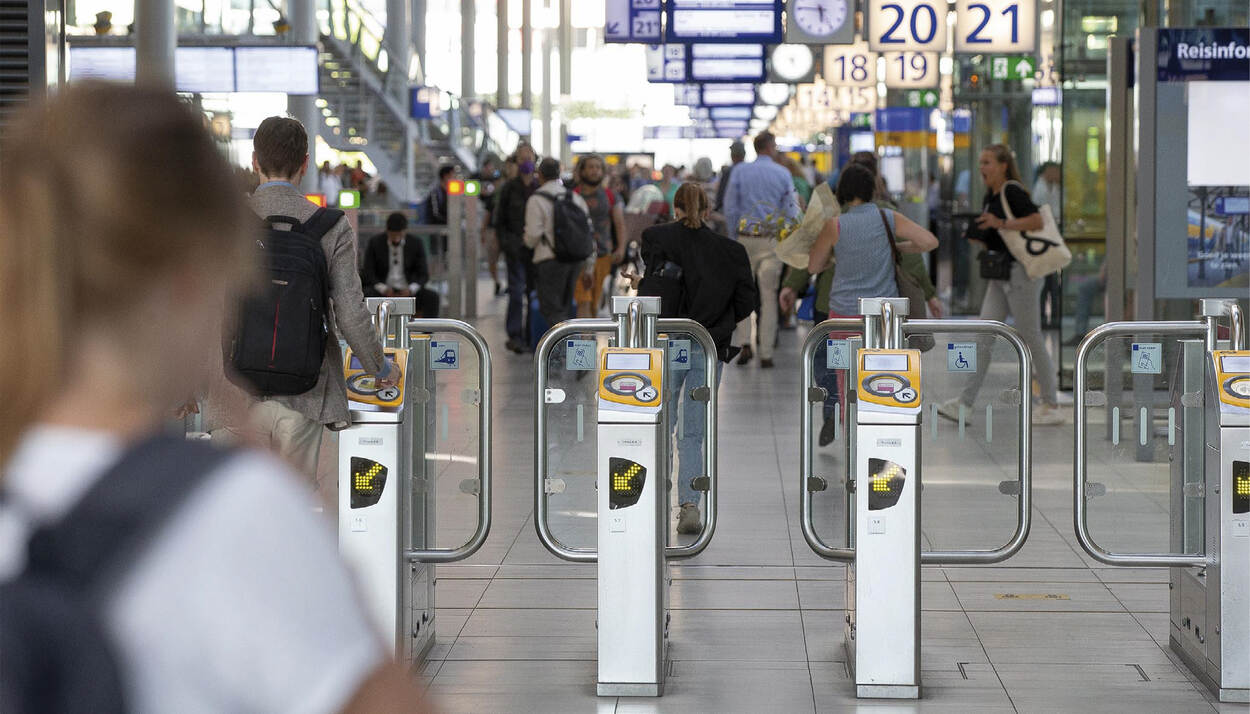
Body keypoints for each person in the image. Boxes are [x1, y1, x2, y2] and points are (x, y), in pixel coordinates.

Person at [0, 83, 420, 713]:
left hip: (239, 397)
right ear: (189, 280)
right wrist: (327, 585)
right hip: (306, 399)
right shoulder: (232, 510)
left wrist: (216, 385)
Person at [209, 116, 397, 493]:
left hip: (233, 391)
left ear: (254, 161)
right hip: (305, 395)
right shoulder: (330, 226)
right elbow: (350, 312)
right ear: (305, 164)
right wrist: (380, 367)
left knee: (233, 513)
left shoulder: (226, 223)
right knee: (289, 513)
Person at [637, 183, 756, 534]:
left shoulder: (657, 238)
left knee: (661, 422)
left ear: (675, 208)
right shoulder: (731, 251)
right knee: (692, 432)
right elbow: (746, 303)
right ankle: (690, 504)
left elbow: (654, 280)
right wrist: (720, 322)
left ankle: (655, 496)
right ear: (707, 211)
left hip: (668, 342)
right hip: (708, 345)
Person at [805, 163, 939, 436]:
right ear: (871, 190)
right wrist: (894, 248)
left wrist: (836, 255)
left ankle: (851, 444)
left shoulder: (835, 225)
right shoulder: (888, 217)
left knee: (845, 381)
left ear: (842, 191)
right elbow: (928, 242)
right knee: (882, 377)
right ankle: (881, 435)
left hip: (841, 319)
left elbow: (813, 267)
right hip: (883, 318)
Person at [937, 144, 1066, 426]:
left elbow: (1035, 219)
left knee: (1031, 335)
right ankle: (965, 403)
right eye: (981, 162)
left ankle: (1051, 403)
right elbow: (1001, 235)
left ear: (1003, 165)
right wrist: (981, 235)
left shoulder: (1011, 190)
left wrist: (1001, 222)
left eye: (988, 162)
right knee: (983, 336)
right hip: (1000, 277)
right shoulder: (990, 196)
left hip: (1021, 275)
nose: (982, 168)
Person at [723, 131, 802, 368]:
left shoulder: (739, 171)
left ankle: (745, 342)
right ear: (770, 147)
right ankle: (766, 352)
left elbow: (730, 207)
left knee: (743, 293)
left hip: (745, 240)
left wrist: (733, 234)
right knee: (768, 296)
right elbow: (791, 209)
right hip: (771, 242)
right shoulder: (782, 173)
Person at [524, 158, 593, 331]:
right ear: (559, 173)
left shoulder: (536, 199)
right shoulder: (575, 198)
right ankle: (569, 350)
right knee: (566, 308)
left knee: (552, 309)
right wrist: (589, 266)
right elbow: (588, 232)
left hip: (549, 260)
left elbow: (532, 235)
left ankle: (563, 353)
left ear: (539, 175)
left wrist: (526, 243)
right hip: (575, 260)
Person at [494, 144, 540, 353]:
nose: (526, 162)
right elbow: (500, 220)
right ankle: (515, 334)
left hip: (537, 250)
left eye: (529, 158)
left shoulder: (540, 187)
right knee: (516, 291)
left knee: (533, 292)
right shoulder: (509, 189)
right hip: (515, 249)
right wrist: (507, 244)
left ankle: (533, 334)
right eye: (522, 158)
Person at [572, 154, 626, 318]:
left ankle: (588, 339)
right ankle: (585, 341)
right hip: (578, 257)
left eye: (598, 167)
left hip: (603, 255)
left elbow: (619, 223)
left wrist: (621, 248)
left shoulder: (610, 196)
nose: (595, 171)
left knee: (594, 303)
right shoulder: (572, 195)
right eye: (590, 167)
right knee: (583, 300)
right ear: (582, 171)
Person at [360, 212, 440, 317]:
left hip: (408, 289)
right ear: (387, 231)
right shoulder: (375, 243)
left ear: (405, 231)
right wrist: (384, 289)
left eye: (399, 234)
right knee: (364, 295)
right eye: (393, 235)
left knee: (432, 297)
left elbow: (423, 274)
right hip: (382, 289)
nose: (396, 238)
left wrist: (411, 289)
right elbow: (368, 272)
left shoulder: (416, 243)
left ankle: (428, 331)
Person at [713, 140, 747, 215]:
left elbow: (721, 194)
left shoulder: (728, 171)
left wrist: (717, 208)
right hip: (747, 213)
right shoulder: (749, 170)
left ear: (732, 155)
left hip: (730, 213)